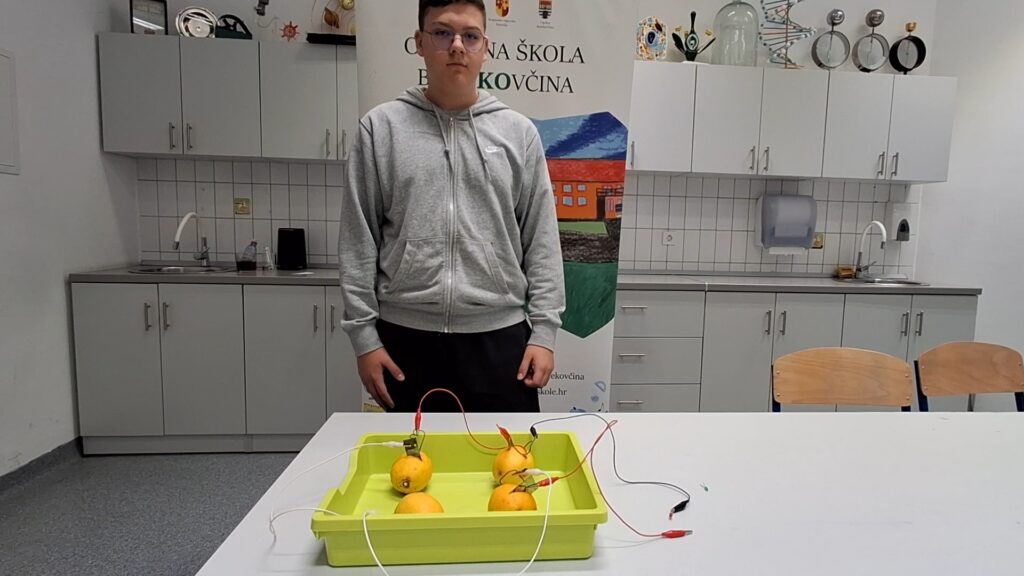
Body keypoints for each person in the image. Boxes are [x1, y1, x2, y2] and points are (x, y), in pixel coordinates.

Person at [338, 0, 565, 413]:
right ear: (420, 42)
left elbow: (542, 240)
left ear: (485, 47)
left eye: (470, 35)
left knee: (508, 456)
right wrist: (365, 340)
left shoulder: (519, 134)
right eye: (442, 33)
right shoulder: (381, 129)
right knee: (413, 458)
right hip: (405, 343)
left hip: (500, 342)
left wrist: (545, 334)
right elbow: (358, 241)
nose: (457, 46)